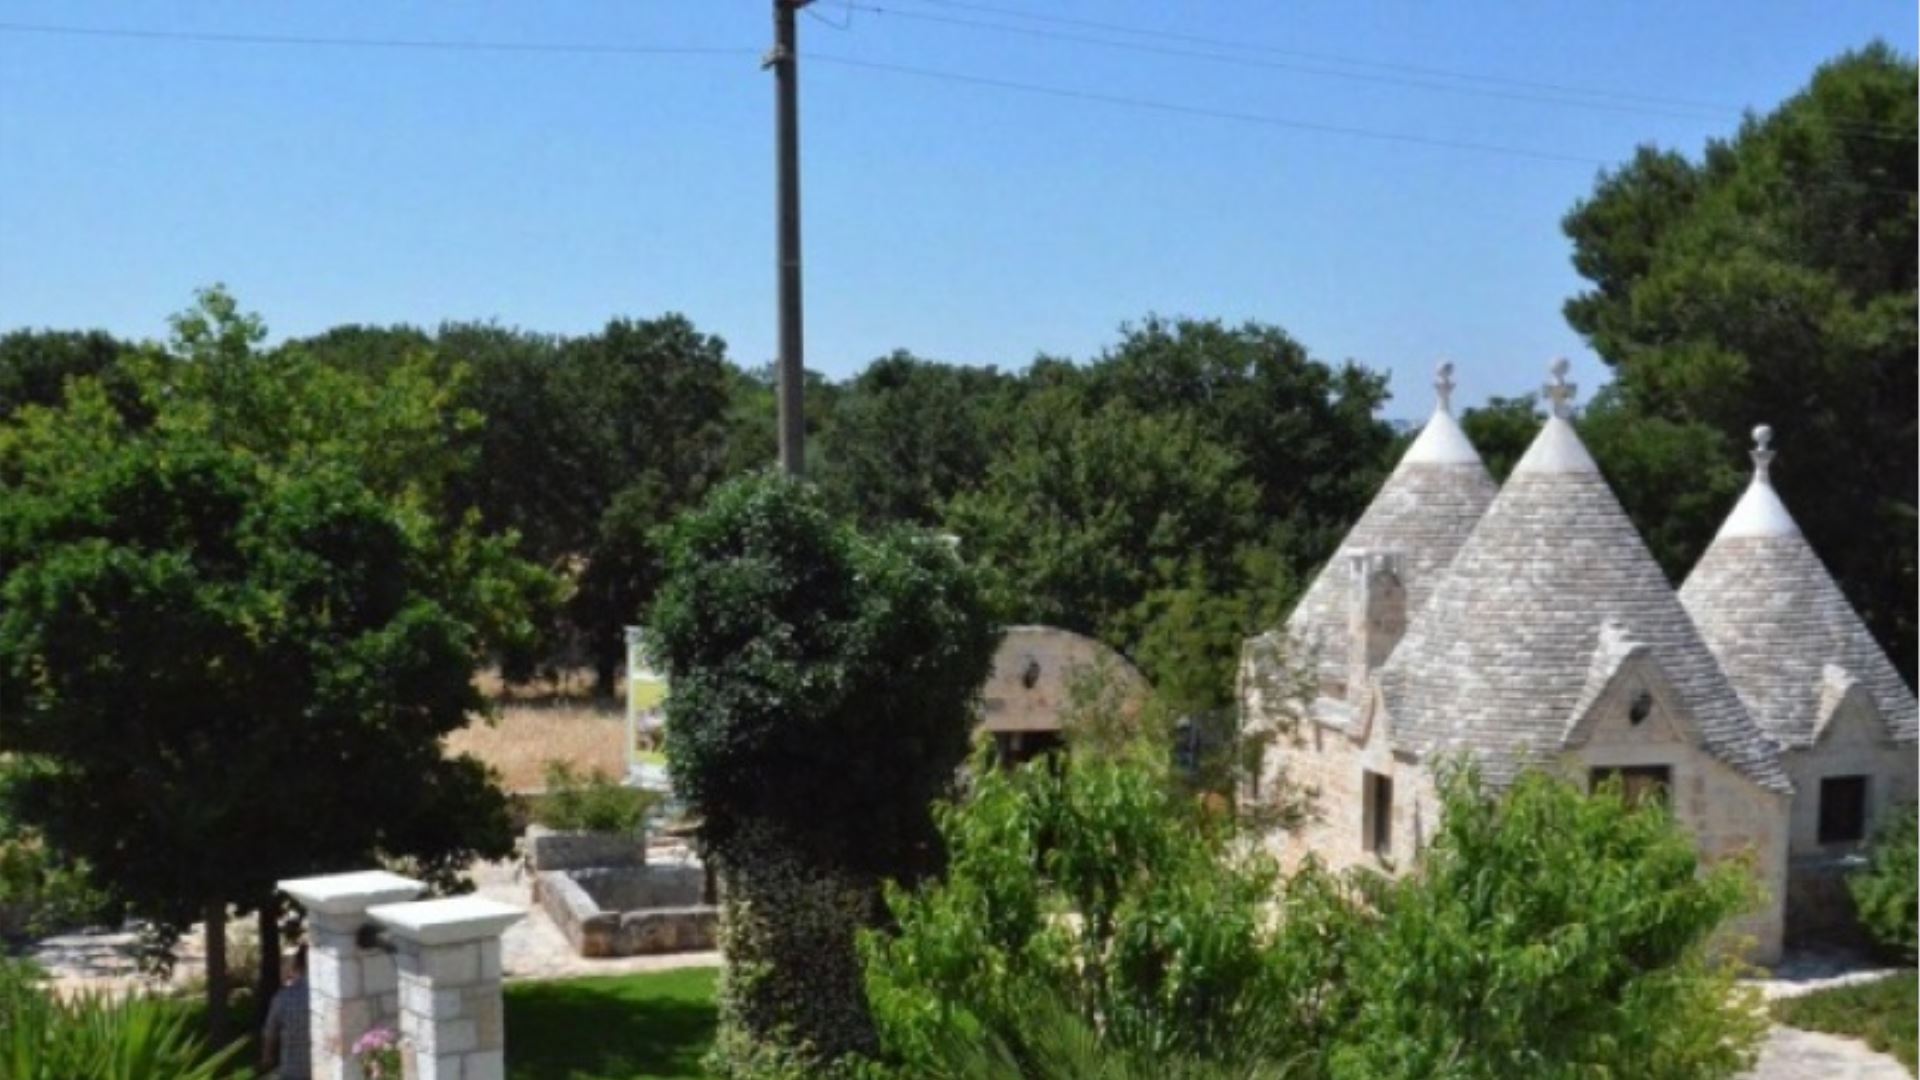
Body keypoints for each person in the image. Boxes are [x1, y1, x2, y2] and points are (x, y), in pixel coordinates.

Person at [261, 945, 311, 1080]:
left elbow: (270, 1031)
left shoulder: (282, 998)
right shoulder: (327, 999)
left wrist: (267, 1056)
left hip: (291, 1071)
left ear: (297, 966)